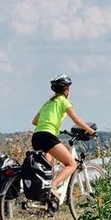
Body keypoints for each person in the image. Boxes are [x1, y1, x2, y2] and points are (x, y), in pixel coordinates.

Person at [32, 75, 96, 211]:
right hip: (48, 137)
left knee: (49, 169)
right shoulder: (63, 101)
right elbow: (77, 120)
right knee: (71, 164)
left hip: (37, 136)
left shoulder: (48, 103)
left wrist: (52, 125)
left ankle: (48, 202)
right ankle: (54, 186)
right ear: (66, 89)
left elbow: (35, 122)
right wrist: (90, 131)